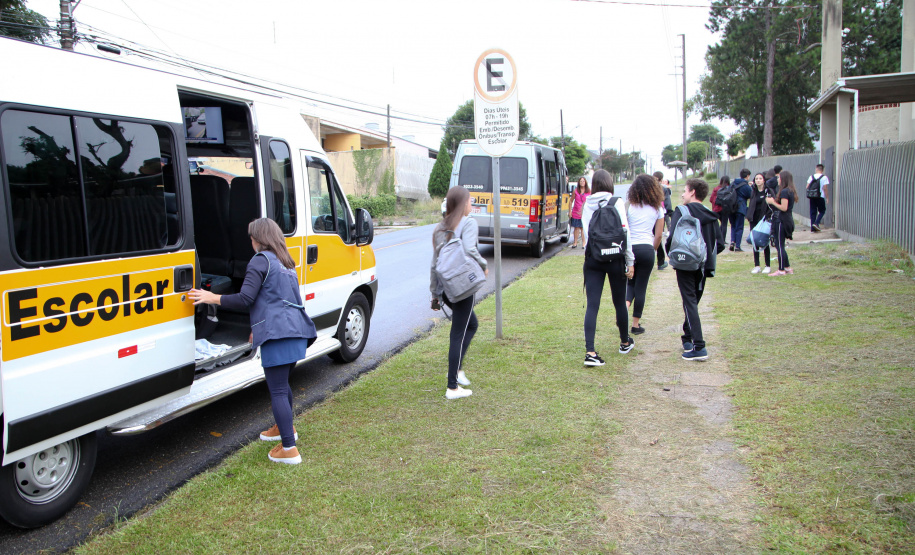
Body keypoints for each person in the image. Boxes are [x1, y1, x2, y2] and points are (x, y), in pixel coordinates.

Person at [189, 218, 317, 465]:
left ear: (259, 239)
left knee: (278, 389)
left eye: (251, 237)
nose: (250, 241)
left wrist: (210, 297)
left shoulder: (260, 260)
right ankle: (282, 430)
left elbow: (245, 299)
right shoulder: (286, 262)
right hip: (297, 330)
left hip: (278, 333)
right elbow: (276, 300)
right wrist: (255, 328)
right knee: (283, 385)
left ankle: (289, 449)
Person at [430, 186, 488, 399]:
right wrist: (483, 264)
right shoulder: (468, 222)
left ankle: (457, 370)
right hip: (463, 286)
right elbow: (471, 250)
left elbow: (434, 265)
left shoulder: (439, 228)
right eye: (470, 201)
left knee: (471, 324)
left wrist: (435, 294)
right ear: (463, 204)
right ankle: (452, 386)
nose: (471, 205)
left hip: (447, 288)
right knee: (458, 333)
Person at [665, 178, 724, 361]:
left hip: (685, 263)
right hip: (703, 265)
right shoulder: (711, 215)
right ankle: (688, 338)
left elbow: (672, 240)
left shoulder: (682, 211)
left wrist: (674, 256)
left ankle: (699, 346)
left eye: (685, 190)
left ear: (692, 192)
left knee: (689, 302)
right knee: (693, 302)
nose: (682, 194)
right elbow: (720, 244)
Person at [581, 169, 635, 365]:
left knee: (592, 305)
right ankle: (624, 342)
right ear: (610, 183)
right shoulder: (617, 202)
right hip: (615, 257)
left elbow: (586, 231)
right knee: (619, 302)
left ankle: (590, 353)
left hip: (593, 258)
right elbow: (625, 232)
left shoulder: (587, 203)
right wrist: (630, 261)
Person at [625, 174, 665, 335]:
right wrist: (653, 249)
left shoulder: (629, 207)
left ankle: (623, 310)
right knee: (641, 287)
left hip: (630, 249)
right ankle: (635, 325)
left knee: (629, 284)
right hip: (647, 248)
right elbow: (659, 235)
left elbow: (624, 230)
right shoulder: (657, 209)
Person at [767, 169, 798, 276]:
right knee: (781, 244)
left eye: (779, 178)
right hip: (786, 219)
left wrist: (773, 202)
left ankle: (781, 269)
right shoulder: (790, 190)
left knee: (779, 245)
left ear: (783, 179)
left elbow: (784, 208)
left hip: (782, 220)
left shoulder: (785, 191)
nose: (778, 179)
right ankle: (787, 267)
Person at [745, 172, 772, 274]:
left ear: (764, 180)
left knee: (764, 242)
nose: (758, 180)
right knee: (754, 242)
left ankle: (767, 265)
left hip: (764, 220)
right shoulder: (753, 191)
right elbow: (751, 204)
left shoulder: (768, 191)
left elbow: (771, 205)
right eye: (756, 179)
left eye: (760, 178)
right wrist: (749, 215)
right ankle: (757, 265)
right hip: (754, 219)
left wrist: (767, 216)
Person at [728, 168, 753, 252]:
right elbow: (751, 195)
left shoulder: (733, 183)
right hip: (740, 208)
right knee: (739, 227)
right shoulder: (745, 186)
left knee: (733, 226)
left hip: (731, 207)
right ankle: (737, 246)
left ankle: (732, 241)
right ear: (748, 176)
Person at [653, 171, 672, 270]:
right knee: (658, 236)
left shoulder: (649, 188)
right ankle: (660, 261)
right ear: (661, 180)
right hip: (660, 215)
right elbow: (667, 203)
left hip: (650, 215)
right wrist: (670, 213)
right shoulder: (663, 189)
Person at [806, 163, 829, 232]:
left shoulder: (811, 177)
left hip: (812, 196)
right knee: (822, 210)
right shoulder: (824, 177)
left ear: (816, 169)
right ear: (822, 170)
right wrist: (827, 197)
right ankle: (816, 223)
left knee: (813, 211)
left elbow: (807, 187)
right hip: (820, 196)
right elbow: (825, 188)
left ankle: (812, 228)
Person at [569, 176, 590, 248]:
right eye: (581, 181)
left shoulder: (588, 191)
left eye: (583, 181)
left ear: (585, 182)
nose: (582, 182)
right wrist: (570, 211)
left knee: (583, 228)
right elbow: (571, 201)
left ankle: (584, 243)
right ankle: (575, 243)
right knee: (576, 227)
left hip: (584, 212)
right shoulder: (575, 191)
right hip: (576, 212)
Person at [709, 175, 730, 244]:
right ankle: (722, 239)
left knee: (714, 223)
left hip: (716, 209)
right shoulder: (728, 189)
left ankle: (715, 237)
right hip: (725, 209)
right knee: (724, 224)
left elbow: (711, 199)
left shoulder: (716, 189)